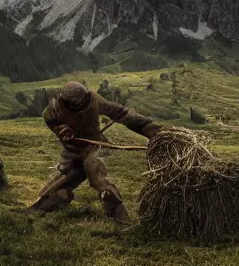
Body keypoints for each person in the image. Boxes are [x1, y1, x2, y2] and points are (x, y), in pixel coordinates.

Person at [31, 81, 162, 224]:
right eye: (73, 104)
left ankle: (118, 215)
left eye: (79, 102)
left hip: (92, 147)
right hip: (73, 151)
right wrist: (61, 130)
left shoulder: (93, 100)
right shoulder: (55, 109)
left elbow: (121, 113)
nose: (77, 106)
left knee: (97, 177)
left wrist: (152, 129)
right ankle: (46, 205)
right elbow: (51, 120)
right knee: (62, 182)